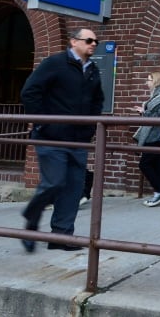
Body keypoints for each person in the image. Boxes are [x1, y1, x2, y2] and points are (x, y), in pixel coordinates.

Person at [20, 28, 104, 252]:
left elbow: (98, 100)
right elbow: (29, 92)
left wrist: (89, 128)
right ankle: (32, 216)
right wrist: (43, 123)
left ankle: (61, 236)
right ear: (74, 41)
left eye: (96, 41)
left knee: (74, 188)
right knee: (55, 182)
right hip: (51, 138)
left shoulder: (92, 70)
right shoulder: (55, 63)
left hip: (78, 140)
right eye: (89, 40)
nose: (93, 44)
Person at [130, 72, 160, 207]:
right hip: (155, 134)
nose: (146, 82)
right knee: (157, 165)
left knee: (145, 164)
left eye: (149, 80)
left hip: (158, 135)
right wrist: (143, 111)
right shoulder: (157, 95)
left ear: (155, 81)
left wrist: (145, 112)